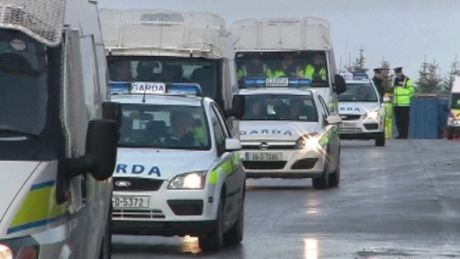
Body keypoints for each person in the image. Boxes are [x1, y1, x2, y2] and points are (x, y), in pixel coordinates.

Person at [392, 67, 415, 139]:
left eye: (398, 72)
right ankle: (400, 134)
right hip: (396, 104)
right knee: (398, 120)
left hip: (404, 104)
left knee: (405, 120)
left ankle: (404, 135)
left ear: (401, 72)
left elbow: (412, 90)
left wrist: (405, 95)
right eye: (396, 73)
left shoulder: (407, 80)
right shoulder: (395, 80)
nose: (397, 74)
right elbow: (394, 91)